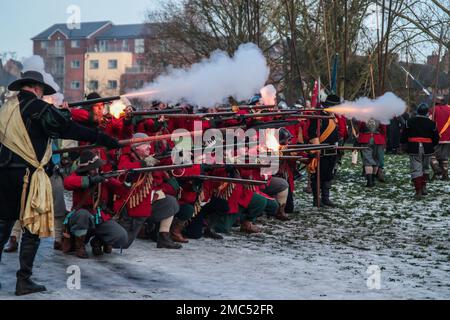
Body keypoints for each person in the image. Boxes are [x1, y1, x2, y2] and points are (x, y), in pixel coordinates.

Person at [0, 70, 119, 295]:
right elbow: (68, 129)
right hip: (27, 176)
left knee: (3, 225)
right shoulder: (39, 108)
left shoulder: (6, 108)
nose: (43, 94)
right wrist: (104, 139)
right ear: (37, 88)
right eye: (42, 91)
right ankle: (23, 280)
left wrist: (60, 114)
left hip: (4, 172)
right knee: (32, 228)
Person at [400, 103, 439, 198]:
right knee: (425, 168)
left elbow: (404, 136)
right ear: (426, 112)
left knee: (416, 169)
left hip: (414, 147)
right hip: (427, 148)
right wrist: (431, 145)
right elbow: (436, 138)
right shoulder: (432, 123)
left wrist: (404, 144)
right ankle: (423, 187)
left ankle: (419, 190)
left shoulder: (409, 122)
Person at [307, 94, 340, 207]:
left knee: (328, 176)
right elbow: (312, 132)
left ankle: (326, 198)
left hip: (332, 151)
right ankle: (317, 199)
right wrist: (316, 148)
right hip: (321, 151)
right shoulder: (318, 116)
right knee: (318, 177)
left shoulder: (333, 117)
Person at [429, 96, 450, 180]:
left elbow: (429, 122)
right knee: (444, 157)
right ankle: (445, 174)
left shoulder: (433, 109)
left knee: (432, 155)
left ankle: (437, 170)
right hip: (448, 137)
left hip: (437, 136)